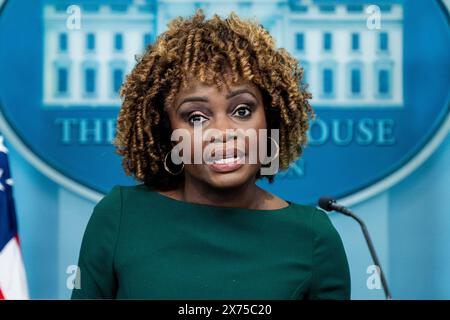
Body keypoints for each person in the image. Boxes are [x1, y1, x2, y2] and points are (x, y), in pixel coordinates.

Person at [71, 9, 350, 300]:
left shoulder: (313, 238)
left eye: (242, 111)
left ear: (271, 118)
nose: (222, 131)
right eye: (195, 117)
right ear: (167, 131)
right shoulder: (119, 217)